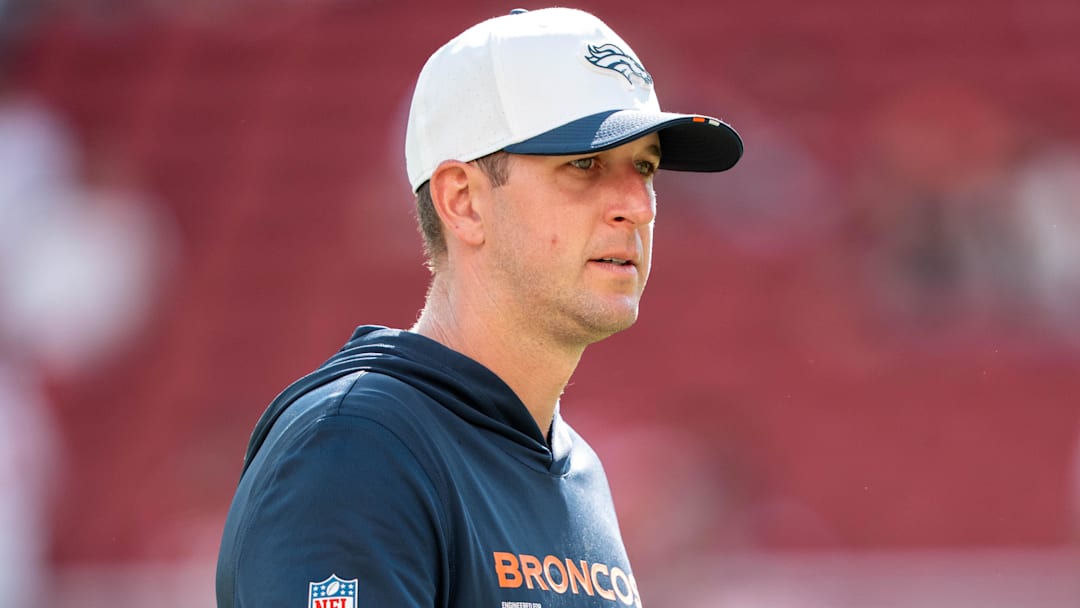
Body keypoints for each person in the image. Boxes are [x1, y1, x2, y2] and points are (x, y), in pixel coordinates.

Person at [216, 7, 742, 608]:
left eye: (644, 167)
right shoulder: (356, 449)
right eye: (584, 164)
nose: (639, 206)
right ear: (463, 201)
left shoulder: (575, 468)